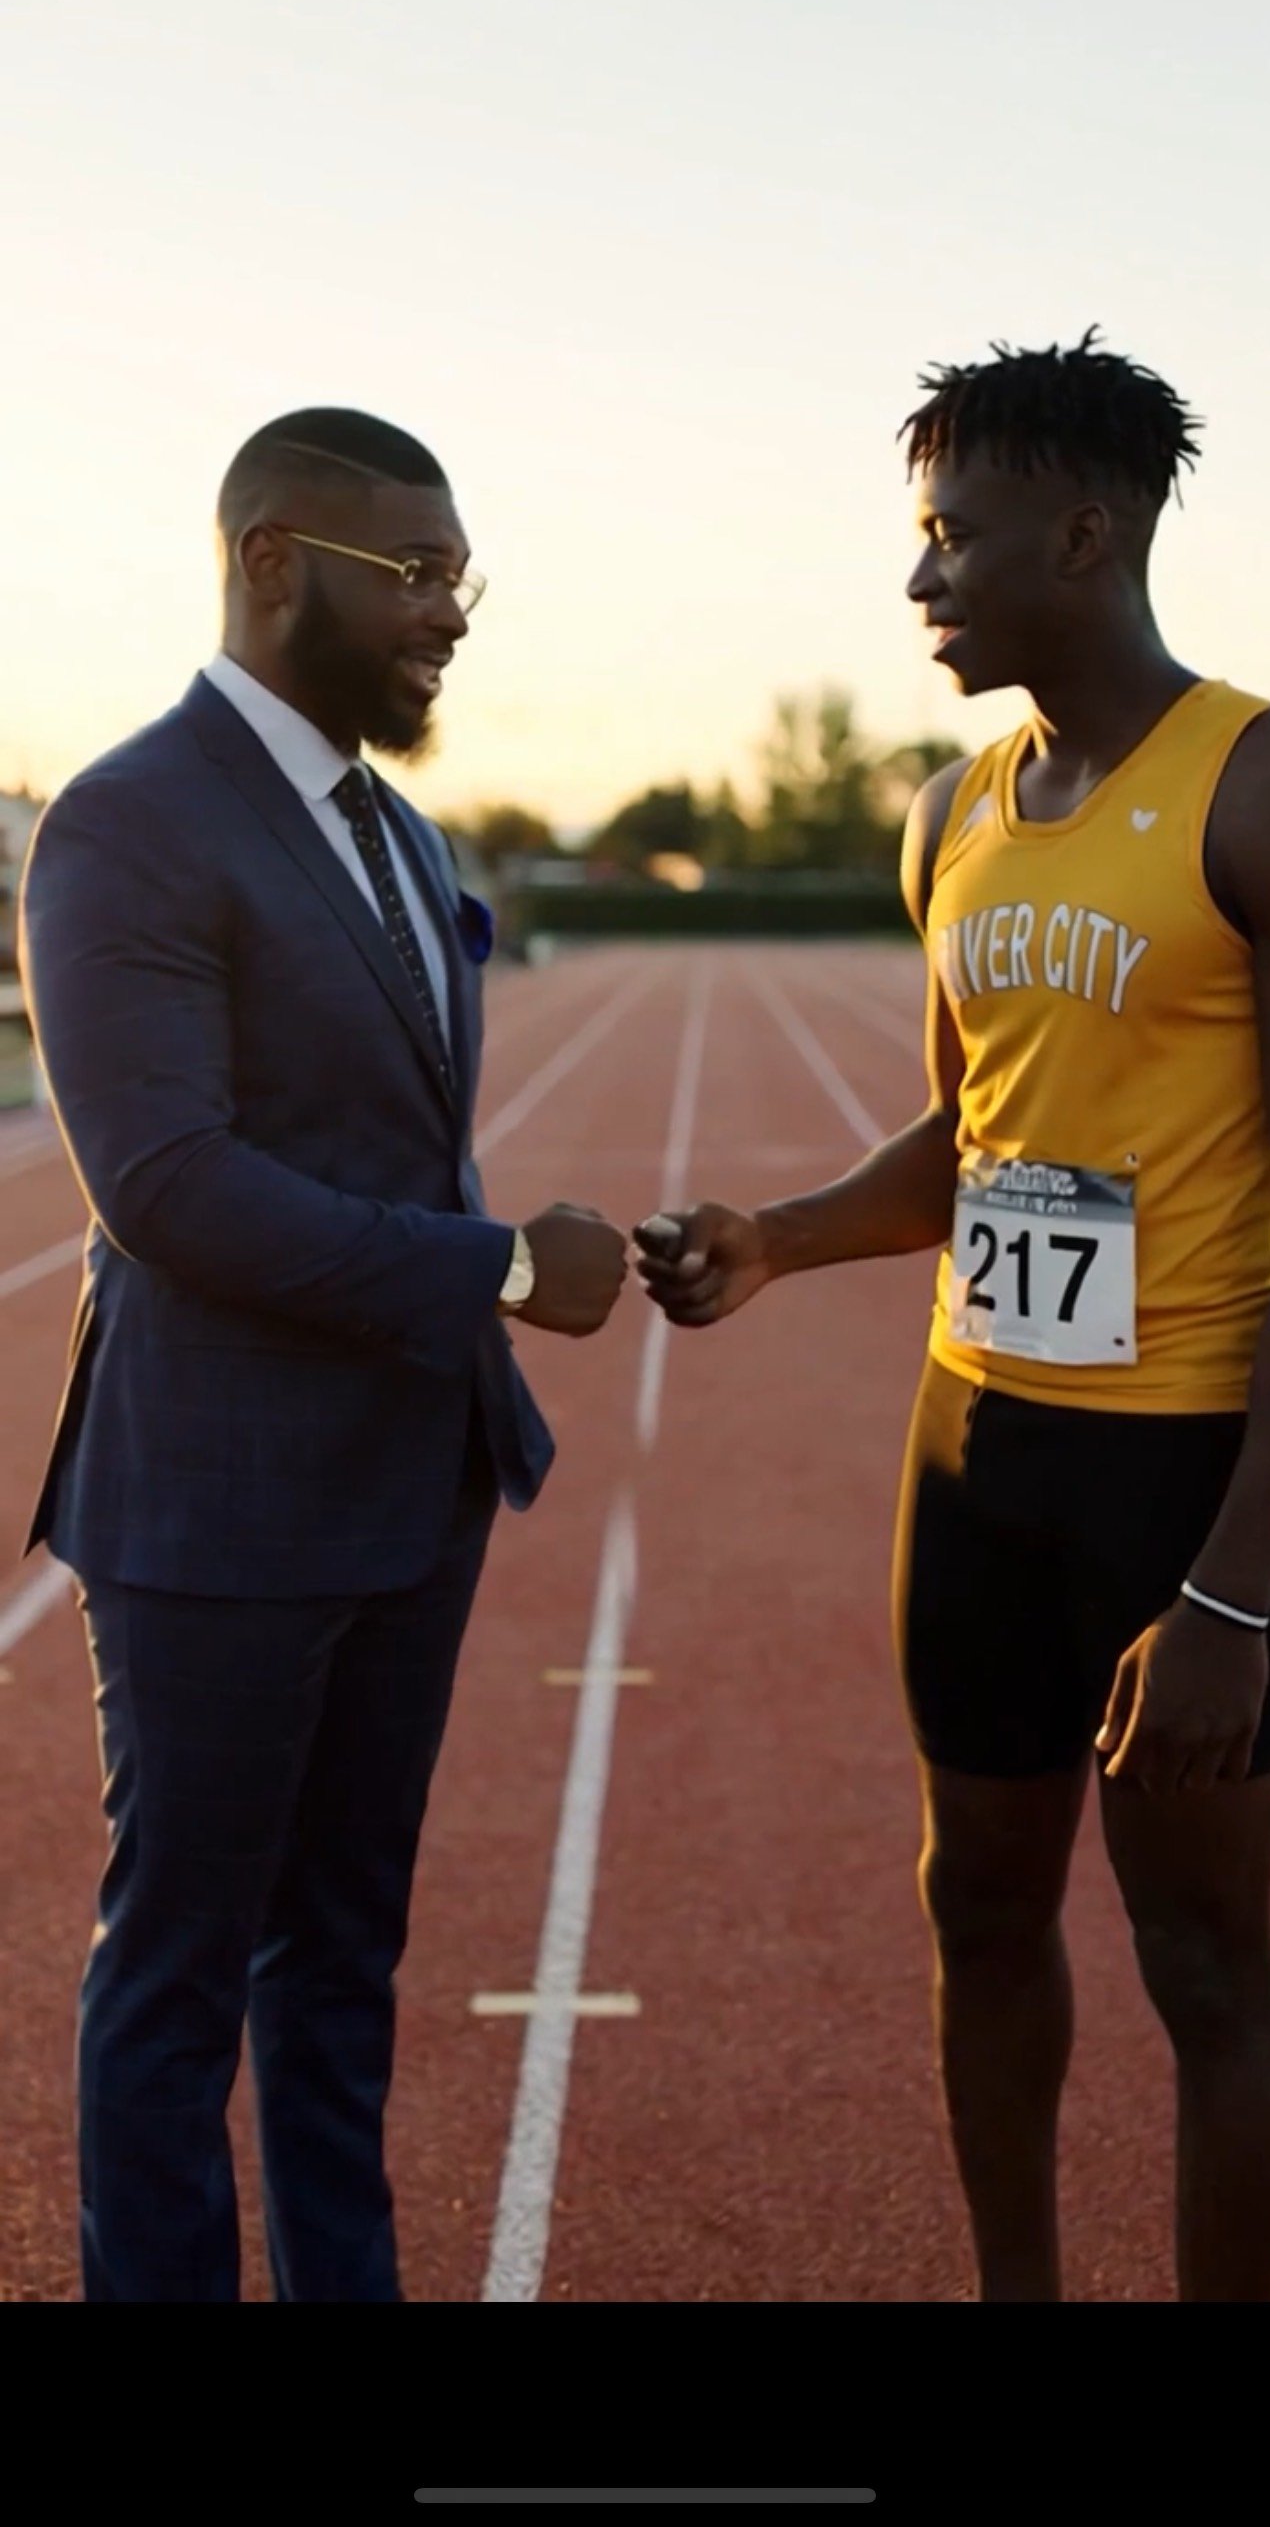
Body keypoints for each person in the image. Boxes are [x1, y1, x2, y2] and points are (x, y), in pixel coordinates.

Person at [637, 332, 1270, 2303]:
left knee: (1200, 1956)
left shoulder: (1257, 790)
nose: (920, 581)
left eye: (952, 540)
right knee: (982, 1907)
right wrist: (778, 1237)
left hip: (1189, 1468)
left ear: (1083, 535)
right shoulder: (951, 818)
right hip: (979, 1446)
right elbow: (964, 1142)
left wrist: (1241, 1594)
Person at [19, 406, 628, 2303]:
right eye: (416, 575)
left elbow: (384, 1142)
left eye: (463, 577)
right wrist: (506, 1271)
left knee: (342, 1960)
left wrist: (530, 1262)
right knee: (182, 1972)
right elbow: (169, 1188)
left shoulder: (398, 826)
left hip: (407, 1483)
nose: (453, 615)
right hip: (218, 1500)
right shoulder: (129, 818)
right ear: (273, 560)